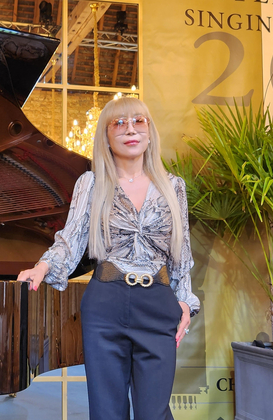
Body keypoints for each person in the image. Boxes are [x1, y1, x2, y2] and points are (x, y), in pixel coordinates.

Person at [17, 97, 200, 420]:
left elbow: (181, 254)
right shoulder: (91, 183)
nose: (130, 129)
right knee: (107, 412)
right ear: (106, 135)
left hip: (158, 305)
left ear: (149, 132)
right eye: (119, 123)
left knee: (153, 413)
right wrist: (42, 266)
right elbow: (70, 239)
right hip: (106, 304)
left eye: (138, 121)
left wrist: (184, 301)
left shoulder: (174, 187)